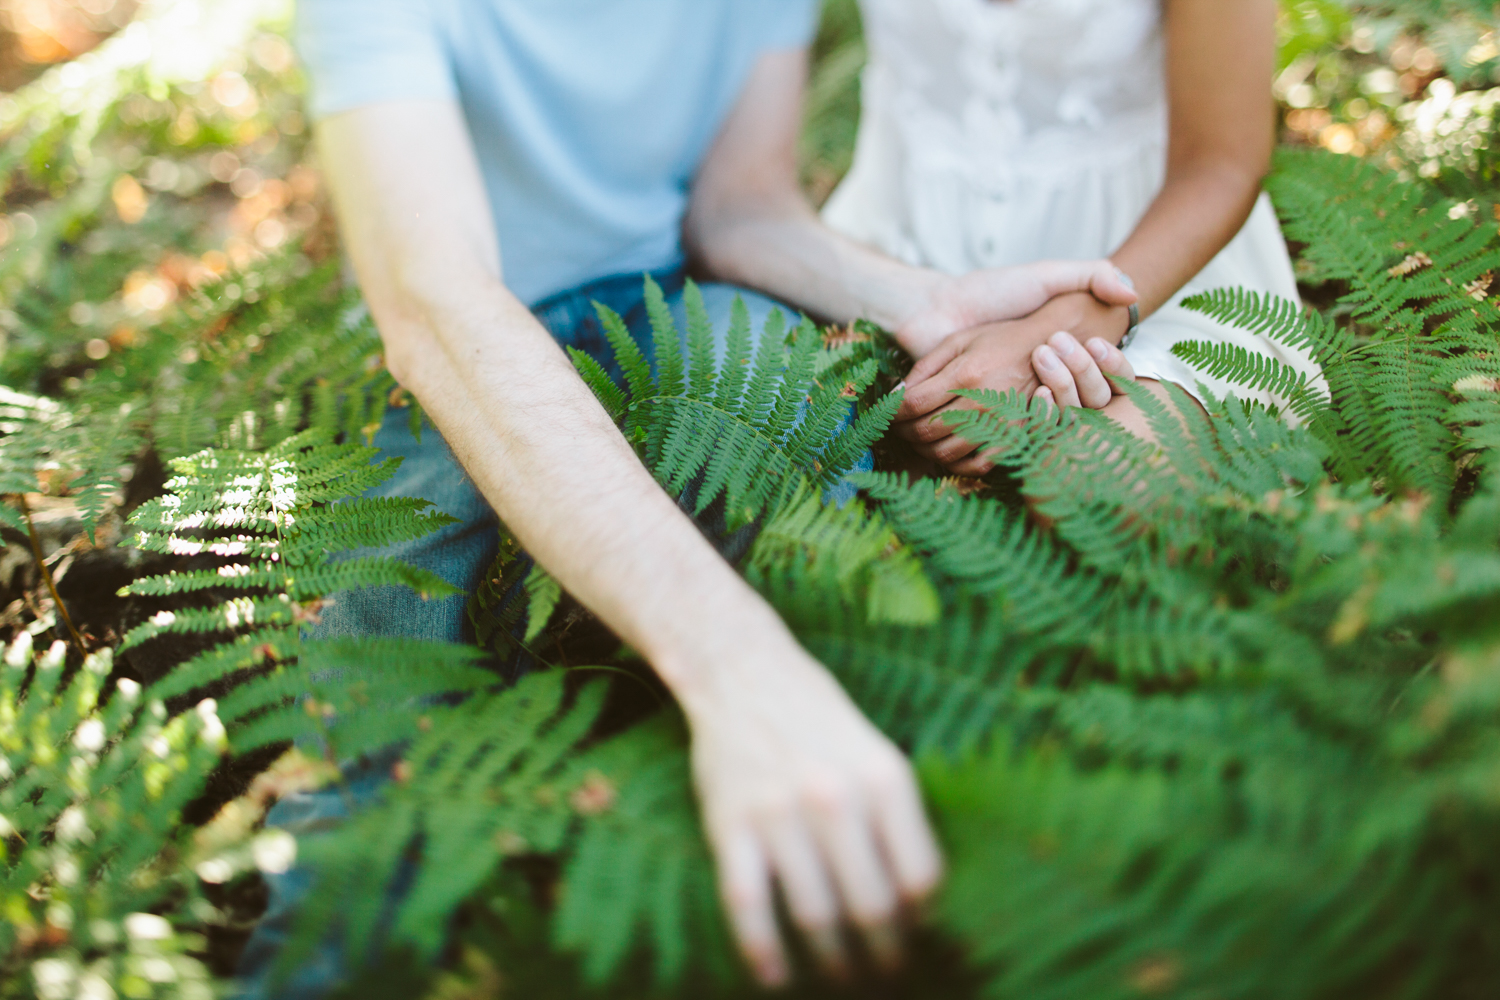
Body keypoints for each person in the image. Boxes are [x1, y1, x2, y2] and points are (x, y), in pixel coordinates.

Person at [243, 1, 1140, 993]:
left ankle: (986, 867)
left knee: (821, 521)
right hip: (471, 351)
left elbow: (740, 208)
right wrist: (734, 665)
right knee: (380, 651)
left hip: (680, 300)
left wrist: (917, 301)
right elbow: (438, 306)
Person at [790, 0, 1319, 472]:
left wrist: (1067, 327)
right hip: (887, 248)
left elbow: (1222, 164)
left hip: (1159, 269)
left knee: (1094, 482)